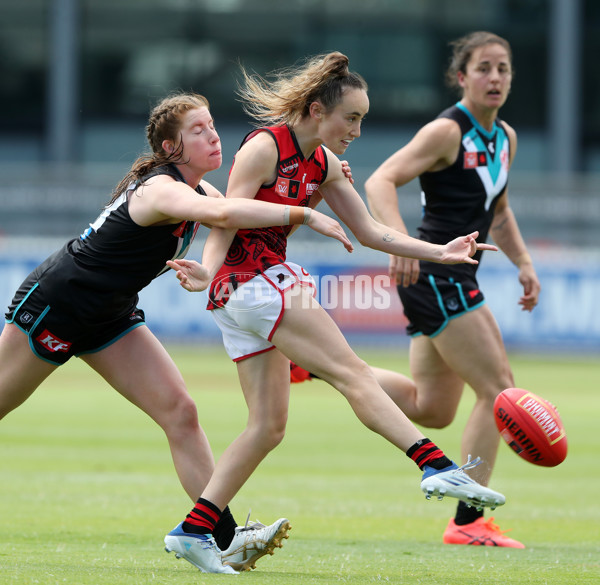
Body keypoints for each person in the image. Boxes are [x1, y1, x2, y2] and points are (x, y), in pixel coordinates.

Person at [165, 51, 506, 574]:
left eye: (362, 120)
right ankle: (435, 465)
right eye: (352, 118)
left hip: (243, 296)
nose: (358, 130)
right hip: (252, 284)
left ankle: (193, 530)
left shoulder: (322, 162)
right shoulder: (264, 147)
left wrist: (441, 251)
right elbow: (225, 216)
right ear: (317, 109)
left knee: (268, 426)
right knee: (351, 372)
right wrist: (209, 270)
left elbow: (372, 232)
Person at [0, 92, 356, 573]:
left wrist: (313, 190)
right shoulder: (161, 189)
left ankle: (221, 536)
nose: (213, 136)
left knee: (181, 412)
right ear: (171, 148)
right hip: (57, 306)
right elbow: (229, 216)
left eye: (212, 126)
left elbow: (248, 215)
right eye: (198, 130)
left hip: (111, 315)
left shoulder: (202, 193)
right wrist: (307, 213)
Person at [363, 32, 541, 548]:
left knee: (432, 407)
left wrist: (524, 263)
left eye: (503, 69)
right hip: (436, 273)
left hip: (453, 276)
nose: (495, 78)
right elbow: (380, 180)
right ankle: (468, 520)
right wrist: (396, 241)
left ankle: (316, 366)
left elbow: (499, 211)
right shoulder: (446, 130)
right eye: (483, 68)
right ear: (461, 77)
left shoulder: (504, 136)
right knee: (499, 391)